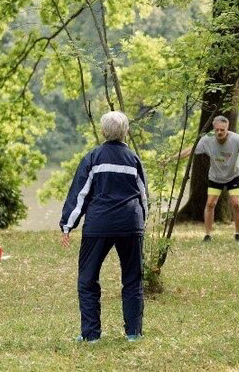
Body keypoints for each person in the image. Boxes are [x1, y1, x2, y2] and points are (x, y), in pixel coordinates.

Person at [60, 111, 148, 343]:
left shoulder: (93, 157)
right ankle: (133, 333)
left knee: (87, 279)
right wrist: (143, 222)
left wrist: (68, 225)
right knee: (132, 278)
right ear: (125, 131)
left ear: (103, 131)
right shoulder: (134, 159)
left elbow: (79, 194)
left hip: (99, 225)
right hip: (131, 224)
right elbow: (143, 195)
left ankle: (91, 335)